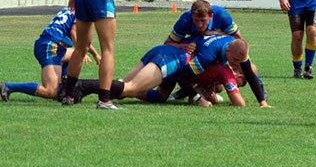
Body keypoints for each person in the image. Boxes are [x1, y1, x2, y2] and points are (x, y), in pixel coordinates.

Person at [72, 35, 269, 108]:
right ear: (229, 52)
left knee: (156, 96)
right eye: (236, 62)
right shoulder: (211, 56)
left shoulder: (233, 45)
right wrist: (198, 96)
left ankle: (75, 88)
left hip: (163, 51)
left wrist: (263, 102)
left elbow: (250, 74)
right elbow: (184, 74)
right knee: (129, 88)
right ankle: (81, 86)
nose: (238, 66)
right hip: (171, 60)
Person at [0, 7, 100, 101]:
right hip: (50, 47)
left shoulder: (72, 7)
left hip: (52, 45)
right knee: (51, 91)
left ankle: (64, 85)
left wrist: (95, 54)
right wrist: (81, 50)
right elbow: (75, 33)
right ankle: (8, 87)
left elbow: (83, 39)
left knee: (75, 56)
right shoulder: (82, 10)